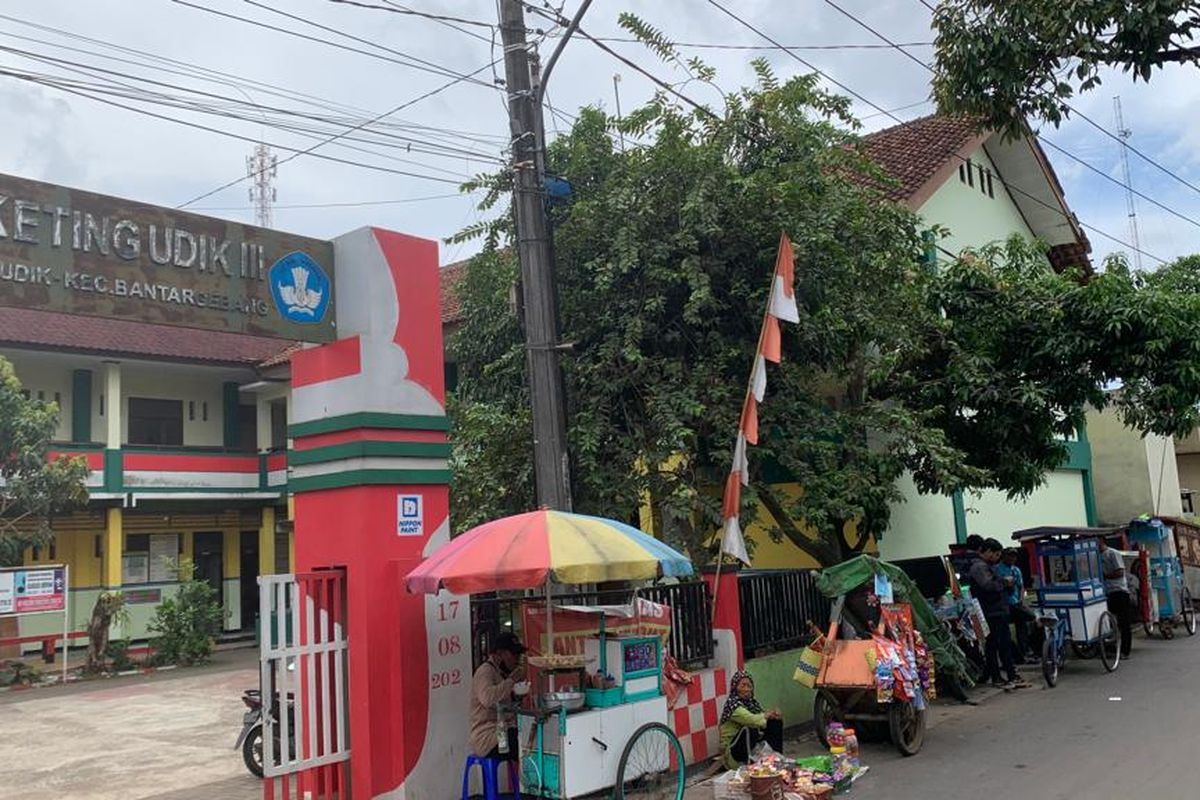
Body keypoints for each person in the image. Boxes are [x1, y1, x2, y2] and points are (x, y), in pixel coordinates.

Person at [968, 538, 1028, 690]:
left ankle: (1009, 674)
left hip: (998, 609)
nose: (997, 558)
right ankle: (997, 676)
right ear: (988, 552)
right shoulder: (979, 567)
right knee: (995, 644)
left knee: (1003, 643)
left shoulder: (988, 566)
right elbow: (988, 585)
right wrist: (1004, 582)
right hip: (990, 611)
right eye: (996, 554)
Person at [469, 632, 530, 759]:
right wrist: (511, 680)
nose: (517, 659)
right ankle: (529, 778)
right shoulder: (485, 671)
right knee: (528, 745)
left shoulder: (500, 673)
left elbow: (504, 705)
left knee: (531, 736)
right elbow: (488, 699)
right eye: (514, 654)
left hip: (502, 732)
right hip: (488, 738)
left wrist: (517, 695)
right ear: (500, 654)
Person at [718, 670, 783, 769]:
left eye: (749, 686)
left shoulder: (752, 704)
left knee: (775, 723)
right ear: (735, 688)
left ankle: (776, 758)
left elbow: (761, 719)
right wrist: (767, 715)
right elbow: (751, 720)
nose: (747, 689)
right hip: (733, 751)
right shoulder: (733, 706)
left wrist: (773, 715)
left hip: (752, 745)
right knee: (750, 729)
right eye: (743, 686)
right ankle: (749, 764)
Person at [996, 548, 1035, 663]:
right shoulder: (998, 569)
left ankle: (1025, 651)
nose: (1012, 558)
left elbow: (1021, 586)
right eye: (1010, 556)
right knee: (1029, 617)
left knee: (1022, 625)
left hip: (1016, 602)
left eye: (1014, 556)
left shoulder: (1016, 570)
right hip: (1005, 604)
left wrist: (1021, 599)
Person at [1099, 537, 1134, 658]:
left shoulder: (1112, 553)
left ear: (1101, 541)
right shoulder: (1097, 556)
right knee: (1108, 622)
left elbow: (1120, 572)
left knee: (1124, 623)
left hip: (1119, 591)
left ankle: (1125, 651)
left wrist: (1106, 576)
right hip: (1107, 592)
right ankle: (1112, 647)